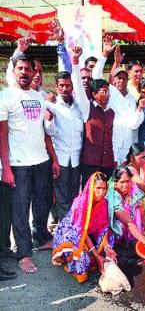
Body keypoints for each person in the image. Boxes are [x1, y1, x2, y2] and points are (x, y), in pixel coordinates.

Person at [0, 54, 60, 274]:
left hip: (41, 161)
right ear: (13, 71)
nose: (24, 72)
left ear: (35, 72)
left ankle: (41, 238)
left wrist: (53, 158)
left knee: (43, 204)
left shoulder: (39, 96)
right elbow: (2, 135)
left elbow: (44, 131)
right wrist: (6, 168)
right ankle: (24, 254)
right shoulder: (5, 97)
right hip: (19, 164)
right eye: (20, 68)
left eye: (28, 69)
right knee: (21, 210)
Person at [52, 172, 117, 283]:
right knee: (82, 261)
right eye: (98, 188)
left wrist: (107, 248)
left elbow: (103, 228)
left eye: (104, 188)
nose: (101, 192)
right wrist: (97, 256)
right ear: (91, 187)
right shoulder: (80, 204)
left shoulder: (103, 202)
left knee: (110, 241)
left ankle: (97, 255)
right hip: (73, 235)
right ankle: (75, 259)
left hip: (90, 233)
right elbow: (81, 232)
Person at [70, 47, 116, 186]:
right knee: (89, 198)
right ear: (94, 94)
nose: (107, 95)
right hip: (90, 164)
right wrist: (76, 61)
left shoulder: (111, 112)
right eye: (104, 91)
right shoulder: (87, 108)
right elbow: (78, 85)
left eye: (108, 91)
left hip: (107, 163)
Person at [44, 71, 84, 222]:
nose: (65, 89)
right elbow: (50, 132)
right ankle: (64, 231)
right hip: (60, 159)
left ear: (72, 86)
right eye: (62, 85)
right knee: (62, 198)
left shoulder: (79, 107)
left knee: (75, 197)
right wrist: (49, 120)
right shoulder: (52, 106)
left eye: (68, 85)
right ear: (56, 87)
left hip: (76, 159)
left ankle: (73, 229)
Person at [106, 167, 145, 256]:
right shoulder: (113, 196)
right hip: (112, 229)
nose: (126, 185)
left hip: (129, 226)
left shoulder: (133, 190)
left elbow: (143, 213)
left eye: (128, 181)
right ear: (115, 183)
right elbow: (129, 223)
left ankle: (132, 239)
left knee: (137, 211)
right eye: (122, 182)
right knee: (121, 225)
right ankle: (120, 245)